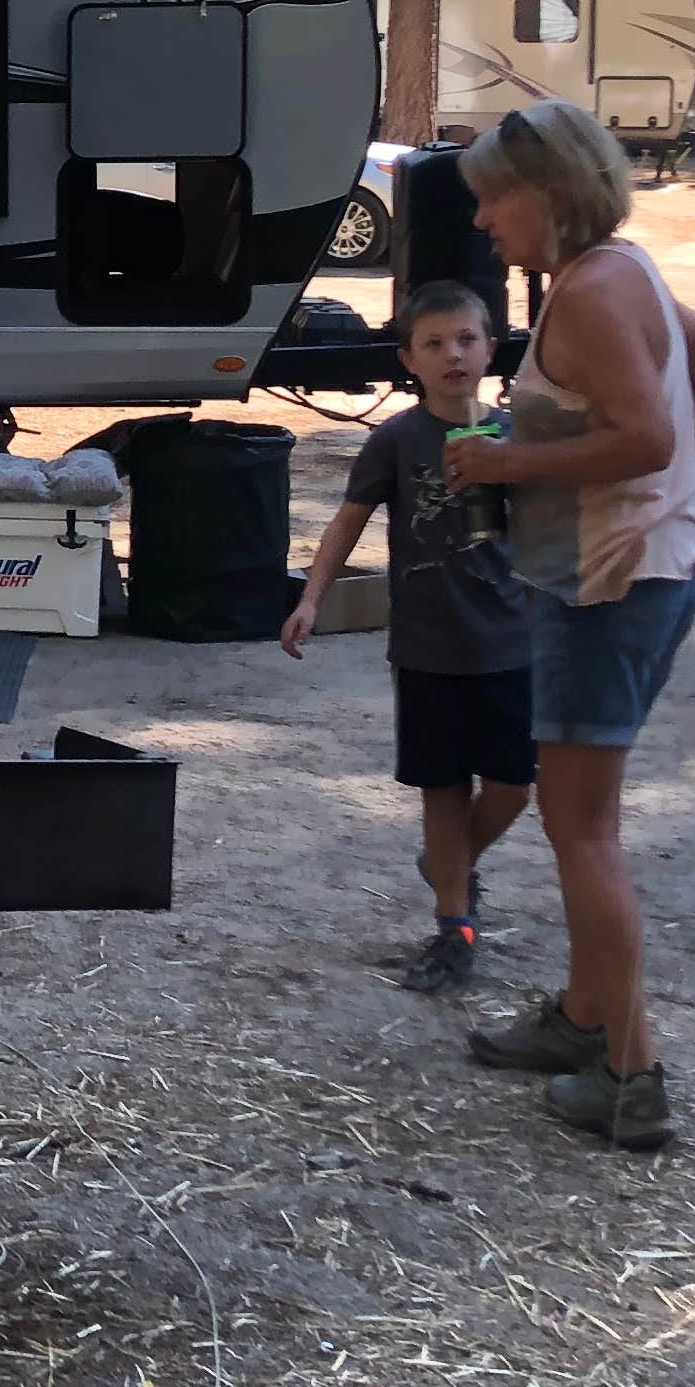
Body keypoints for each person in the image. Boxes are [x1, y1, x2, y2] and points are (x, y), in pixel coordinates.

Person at [444, 100, 695, 1153]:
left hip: (607, 590)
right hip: (634, 570)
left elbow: (647, 436)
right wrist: (644, 491)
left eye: (492, 201)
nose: (483, 224)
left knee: (584, 830)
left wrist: (506, 463)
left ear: (547, 195)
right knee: (586, 820)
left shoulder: (591, 295)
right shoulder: (622, 270)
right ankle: (582, 1019)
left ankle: (631, 1075)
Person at [283, 279, 535, 995]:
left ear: (491, 348)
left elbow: (554, 534)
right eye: (434, 343)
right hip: (427, 648)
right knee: (442, 788)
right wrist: (312, 598)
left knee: (514, 787)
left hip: (511, 642)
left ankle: (447, 860)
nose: (452, 354)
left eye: (466, 339)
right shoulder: (396, 440)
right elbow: (348, 522)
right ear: (408, 359)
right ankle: (454, 927)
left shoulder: (519, 436)